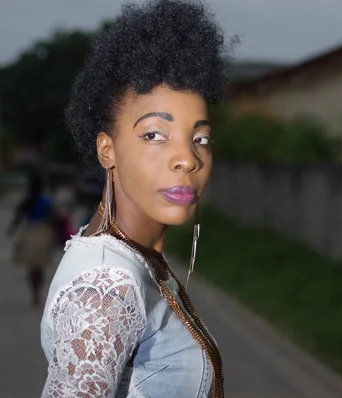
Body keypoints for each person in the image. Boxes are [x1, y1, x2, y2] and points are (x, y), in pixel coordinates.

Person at [40, 1, 230, 397]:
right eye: (155, 135)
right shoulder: (107, 286)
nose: (187, 159)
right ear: (106, 149)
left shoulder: (137, 260)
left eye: (201, 139)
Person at [6, 172, 56, 307]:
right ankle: (38, 292)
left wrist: (11, 230)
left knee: (31, 265)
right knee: (40, 265)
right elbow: (53, 217)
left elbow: (18, 218)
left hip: (29, 232)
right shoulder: (46, 201)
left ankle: (34, 292)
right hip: (43, 233)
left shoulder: (27, 200)